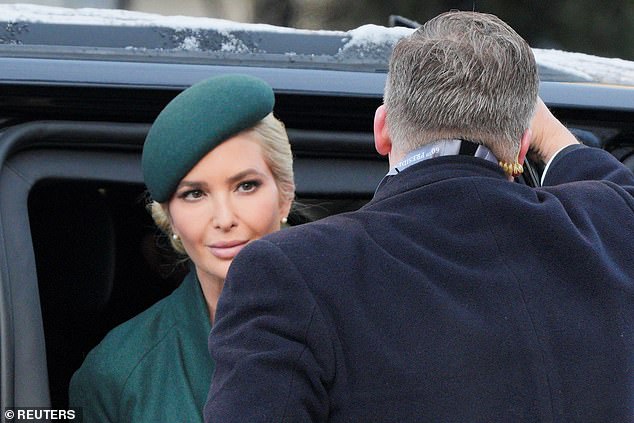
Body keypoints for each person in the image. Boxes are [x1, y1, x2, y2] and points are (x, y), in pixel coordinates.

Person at [204, 11, 634, 422]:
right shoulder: (609, 228)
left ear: (382, 129)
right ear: (523, 147)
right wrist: (545, 131)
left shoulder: (291, 273)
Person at [69, 74, 294, 422]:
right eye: (195, 194)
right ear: (169, 220)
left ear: (285, 195)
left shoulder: (357, 328)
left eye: (246, 186)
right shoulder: (117, 372)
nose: (224, 218)